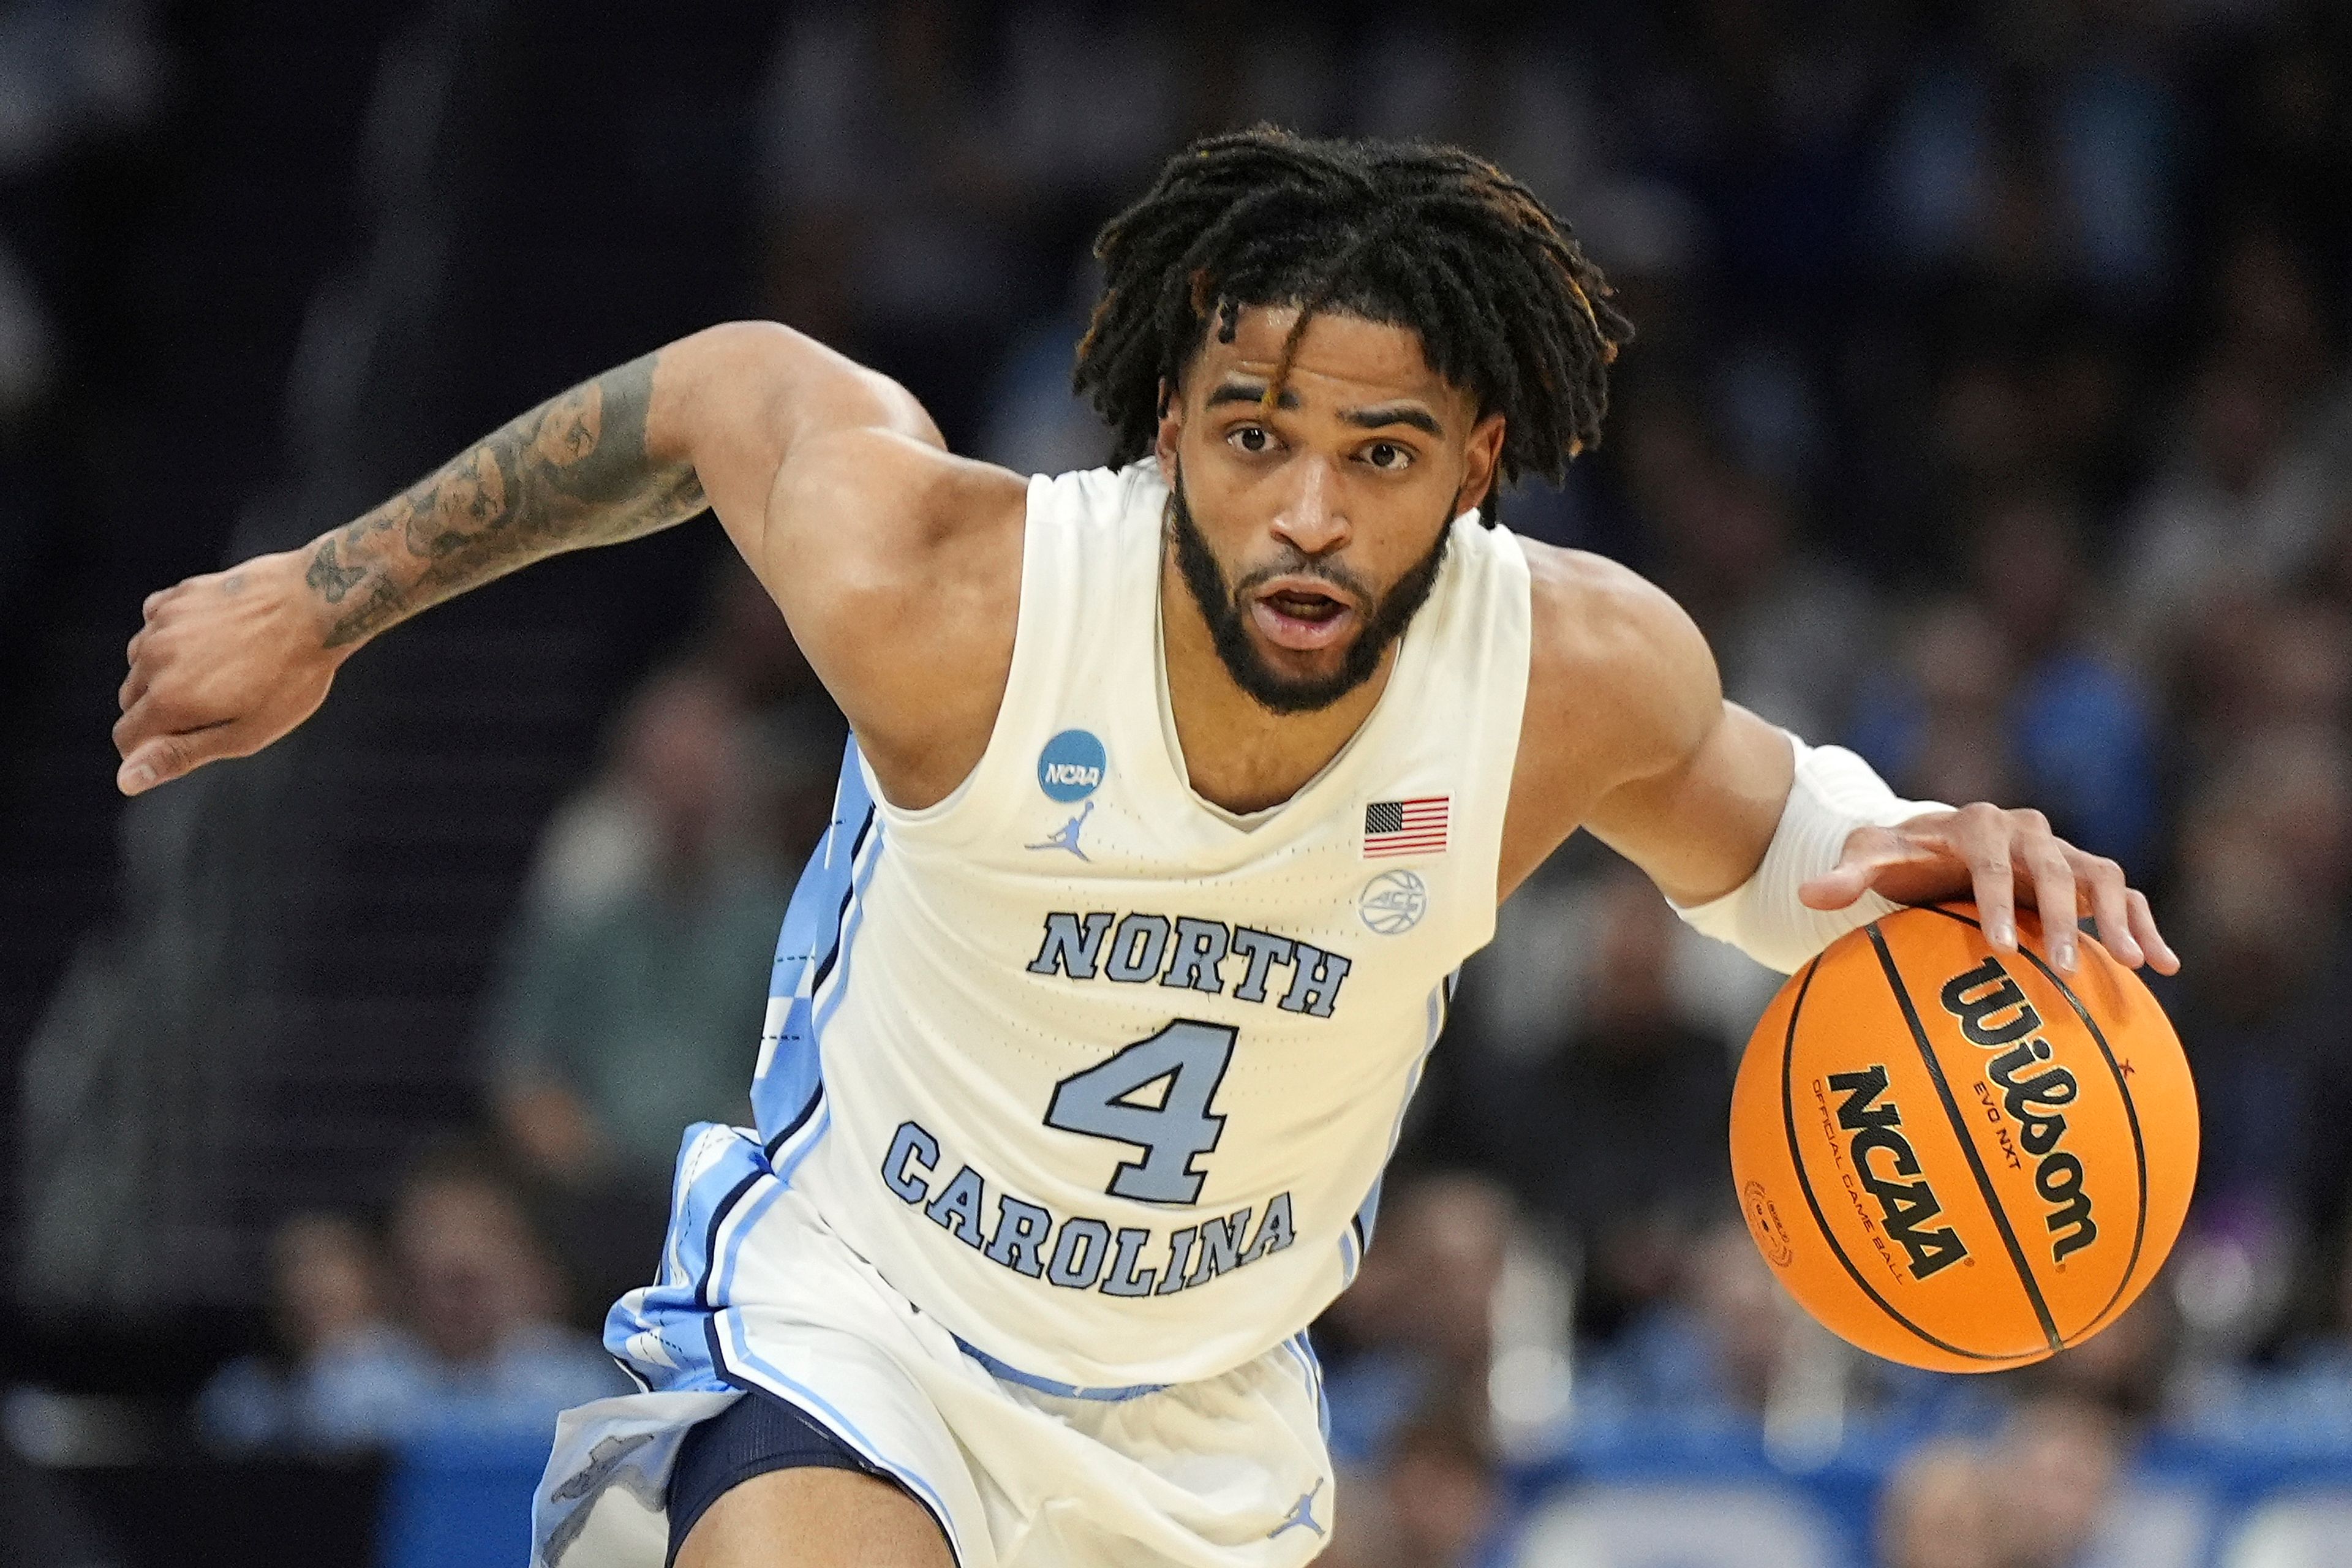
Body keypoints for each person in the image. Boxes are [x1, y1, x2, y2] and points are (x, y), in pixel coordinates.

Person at [112, 129, 2176, 1568]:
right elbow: (726, 397)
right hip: (869, 1321)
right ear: (1170, 420)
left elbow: (1786, 842)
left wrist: (1941, 850)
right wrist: (328, 591)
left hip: (1202, 1433)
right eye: (1256, 435)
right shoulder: (966, 601)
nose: (1304, 511)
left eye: (1376, 457)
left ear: (1474, 465)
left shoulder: (1570, 675)